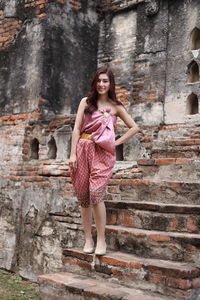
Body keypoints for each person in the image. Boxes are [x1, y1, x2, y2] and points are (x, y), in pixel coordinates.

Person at [69, 66, 139, 255]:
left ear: (110, 84)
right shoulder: (85, 102)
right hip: (82, 149)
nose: (101, 84)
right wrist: (72, 154)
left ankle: (101, 239)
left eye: (105, 81)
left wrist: (115, 143)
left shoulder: (115, 106)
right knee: (84, 196)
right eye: (99, 80)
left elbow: (134, 127)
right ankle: (88, 239)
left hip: (102, 153)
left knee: (96, 193)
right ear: (95, 82)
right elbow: (76, 129)